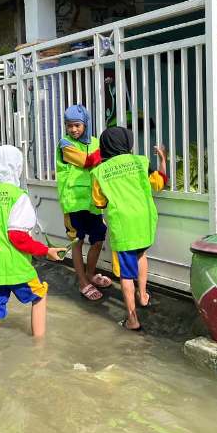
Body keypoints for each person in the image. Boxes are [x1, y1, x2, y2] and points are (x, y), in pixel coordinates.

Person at [0, 145, 64, 350]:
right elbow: (18, 237)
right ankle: (39, 349)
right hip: (16, 268)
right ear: (16, 167)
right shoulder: (17, 196)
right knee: (39, 295)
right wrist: (45, 250)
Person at [90, 127, 168, 332]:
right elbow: (159, 183)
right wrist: (163, 160)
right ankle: (143, 296)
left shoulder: (99, 171)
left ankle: (132, 320)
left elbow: (99, 202)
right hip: (144, 220)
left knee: (126, 274)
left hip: (122, 224)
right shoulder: (140, 162)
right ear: (126, 143)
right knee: (141, 254)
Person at [55, 105, 111, 301]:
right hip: (73, 203)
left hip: (93, 203)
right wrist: (108, 152)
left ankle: (90, 274)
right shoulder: (65, 144)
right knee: (77, 242)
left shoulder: (95, 142)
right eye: (69, 126)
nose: (73, 130)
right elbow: (87, 161)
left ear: (85, 124)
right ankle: (82, 283)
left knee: (98, 239)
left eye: (77, 125)